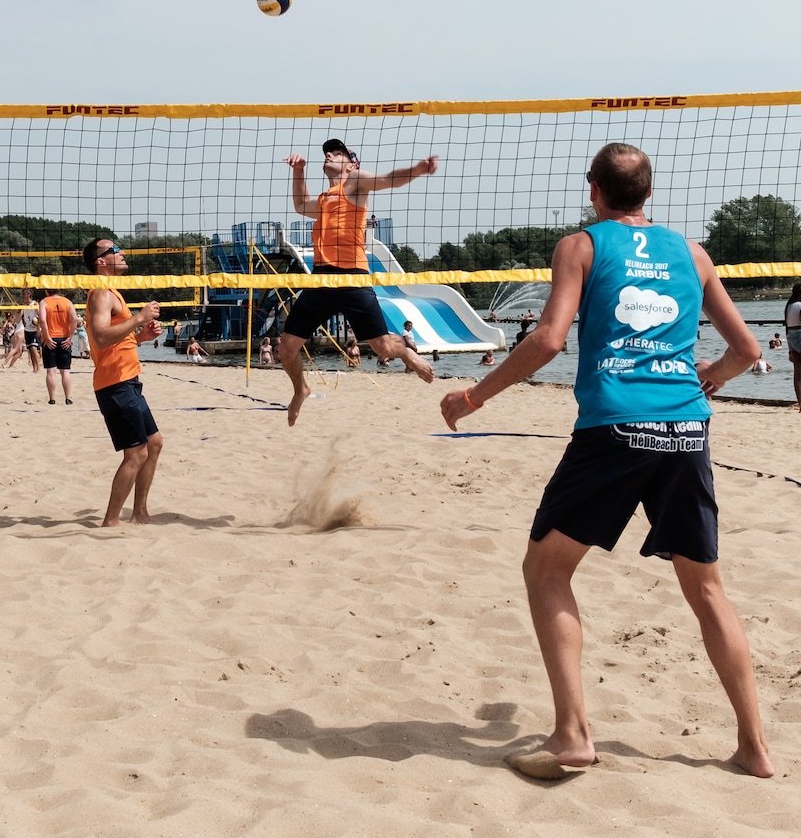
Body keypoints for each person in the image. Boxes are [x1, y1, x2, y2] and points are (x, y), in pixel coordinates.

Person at [440, 142, 772, 780]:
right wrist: (702, 379)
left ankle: (572, 736)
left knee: (546, 570)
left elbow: (548, 339)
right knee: (706, 590)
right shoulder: (692, 252)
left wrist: (475, 395)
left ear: (593, 189)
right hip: (684, 433)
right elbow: (747, 350)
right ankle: (754, 748)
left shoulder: (581, 246)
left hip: (616, 429)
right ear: (648, 193)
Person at [280, 139, 437, 423]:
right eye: (327, 152)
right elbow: (301, 204)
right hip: (322, 279)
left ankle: (407, 354)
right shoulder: (326, 199)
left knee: (384, 348)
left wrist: (417, 169)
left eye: (337, 152)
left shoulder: (356, 182)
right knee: (286, 347)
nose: (329, 154)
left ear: (352, 164)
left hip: (352, 277)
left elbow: (389, 180)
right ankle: (300, 389)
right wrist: (299, 171)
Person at [83, 239, 164, 526]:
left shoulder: (112, 292)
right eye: (115, 250)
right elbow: (102, 335)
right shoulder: (101, 294)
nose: (122, 253)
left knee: (153, 444)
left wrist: (141, 336)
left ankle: (139, 512)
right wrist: (141, 317)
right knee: (136, 453)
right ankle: (110, 521)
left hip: (127, 380)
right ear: (101, 261)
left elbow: (111, 340)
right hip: (114, 384)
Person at [39, 287, 80, 404]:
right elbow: (74, 319)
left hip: (50, 339)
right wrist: (69, 338)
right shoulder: (67, 302)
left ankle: (52, 399)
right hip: (63, 339)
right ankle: (68, 398)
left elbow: (42, 320)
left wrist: (46, 337)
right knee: (65, 371)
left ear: (47, 291)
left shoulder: (44, 302)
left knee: (51, 371)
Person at [784, 284, 801, 411]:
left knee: (797, 374)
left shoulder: (788, 306)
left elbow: (787, 327)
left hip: (791, 336)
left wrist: (790, 349)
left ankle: (800, 403)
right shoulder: (800, 305)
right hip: (800, 335)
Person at [20, 289, 42, 373]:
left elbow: (40, 316)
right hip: (27, 329)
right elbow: (21, 316)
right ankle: (34, 368)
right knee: (30, 349)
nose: (23, 296)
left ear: (28, 295)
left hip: (34, 329)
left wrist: (39, 328)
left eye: (24, 294)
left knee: (34, 348)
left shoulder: (35, 304)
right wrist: (23, 322)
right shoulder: (24, 305)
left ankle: (38, 368)